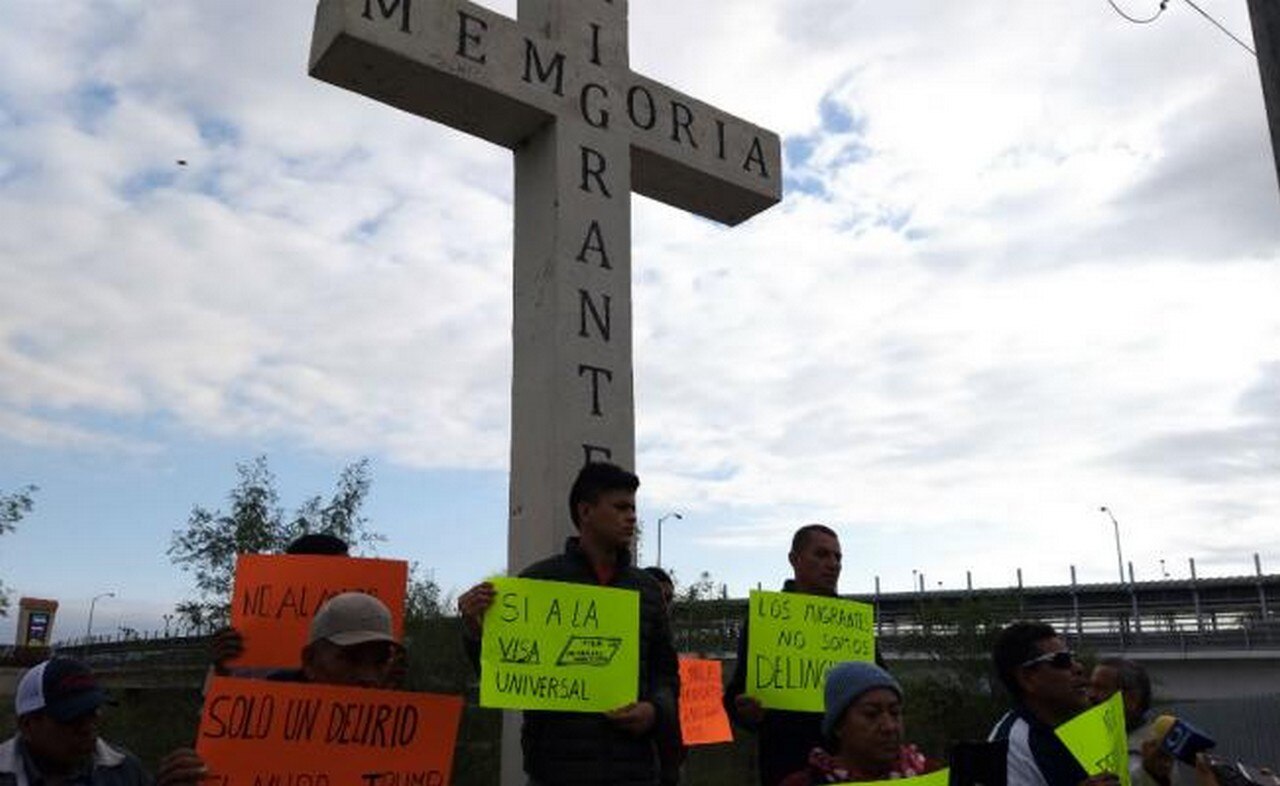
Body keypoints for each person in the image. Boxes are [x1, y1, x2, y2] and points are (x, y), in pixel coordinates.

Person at [458, 461, 680, 786]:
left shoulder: (646, 590)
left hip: (634, 771)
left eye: (633, 507)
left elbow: (666, 674)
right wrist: (475, 631)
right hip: (556, 772)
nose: (631, 516)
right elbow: (505, 672)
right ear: (586, 511)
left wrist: (654, 711)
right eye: (620, 507)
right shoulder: (539, 582)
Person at [723, 524, 843, 786]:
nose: (832, 564)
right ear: (794, 559)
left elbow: (880, 685)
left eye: (837, 557)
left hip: (847, 765)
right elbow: (737, 692)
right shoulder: (765, 619)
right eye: (821, 555)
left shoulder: (851, 626)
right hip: (785, 764)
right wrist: (746, 711)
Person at [1, 657, 203, 786]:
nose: (87, 727)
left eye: (93, 712)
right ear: (27, 725)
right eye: (72, 717)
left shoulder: (126, 770)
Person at [988, 621, 1118, 786]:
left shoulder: (1078, 729)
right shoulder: (1009, 748)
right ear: (1027, 678)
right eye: (1062, 661)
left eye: (1072, 657)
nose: (1078, 667)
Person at [779, 662, 939, 785]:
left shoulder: (932, 775)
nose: (890, 726)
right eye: (871, 714)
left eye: (895, 713)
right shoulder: (803, 783)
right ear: (838, 725)